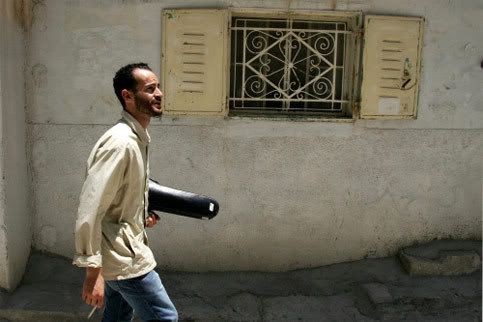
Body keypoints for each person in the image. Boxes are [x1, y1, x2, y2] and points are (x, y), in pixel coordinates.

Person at [73, 62, 178, 322]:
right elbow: (91, 207)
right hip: (124, 259)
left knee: (118, 317)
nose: (159, 93)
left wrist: (140, 216)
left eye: (158, 87)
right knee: (165, 317)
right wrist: (92, 272)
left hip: (122, 247)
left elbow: (118, 200)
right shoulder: (120, 143)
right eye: (150, 88)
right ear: (128, 96)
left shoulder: (136, 138)